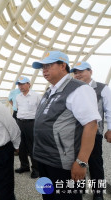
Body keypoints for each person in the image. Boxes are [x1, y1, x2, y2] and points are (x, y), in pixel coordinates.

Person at [32, 51, 101, 200]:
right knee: (48, 195)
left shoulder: (79, 89)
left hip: (62, 163)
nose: (44, 70)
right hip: (44, 159)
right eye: (42, 67)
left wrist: (81, 162)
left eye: (48, 65)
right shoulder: (50, 91)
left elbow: (91, 125)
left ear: (63, 66)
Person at [71, 61, 111, 200]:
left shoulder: (102, 88)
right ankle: (80, 187)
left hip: (94, 134)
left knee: (95, 164)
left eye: (81, 71)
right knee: (77, 162)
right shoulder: (72, 88)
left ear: (91, 72)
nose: (78, 74)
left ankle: (98, 192)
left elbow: (109, 109)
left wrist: (110, 129)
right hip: (74, 135)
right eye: (75, 72)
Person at [14, 76, 41, 179]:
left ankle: (36, 169)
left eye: (22, 84)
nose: (20, 86)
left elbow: (40, 110)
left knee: (32, 147)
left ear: (29, 84)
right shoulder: (18, 97)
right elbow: (18, 109)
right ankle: (24, 166)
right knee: (21, 146)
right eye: (19, 84)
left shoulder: (36, 96)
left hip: (32, 123)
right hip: (20, 122)